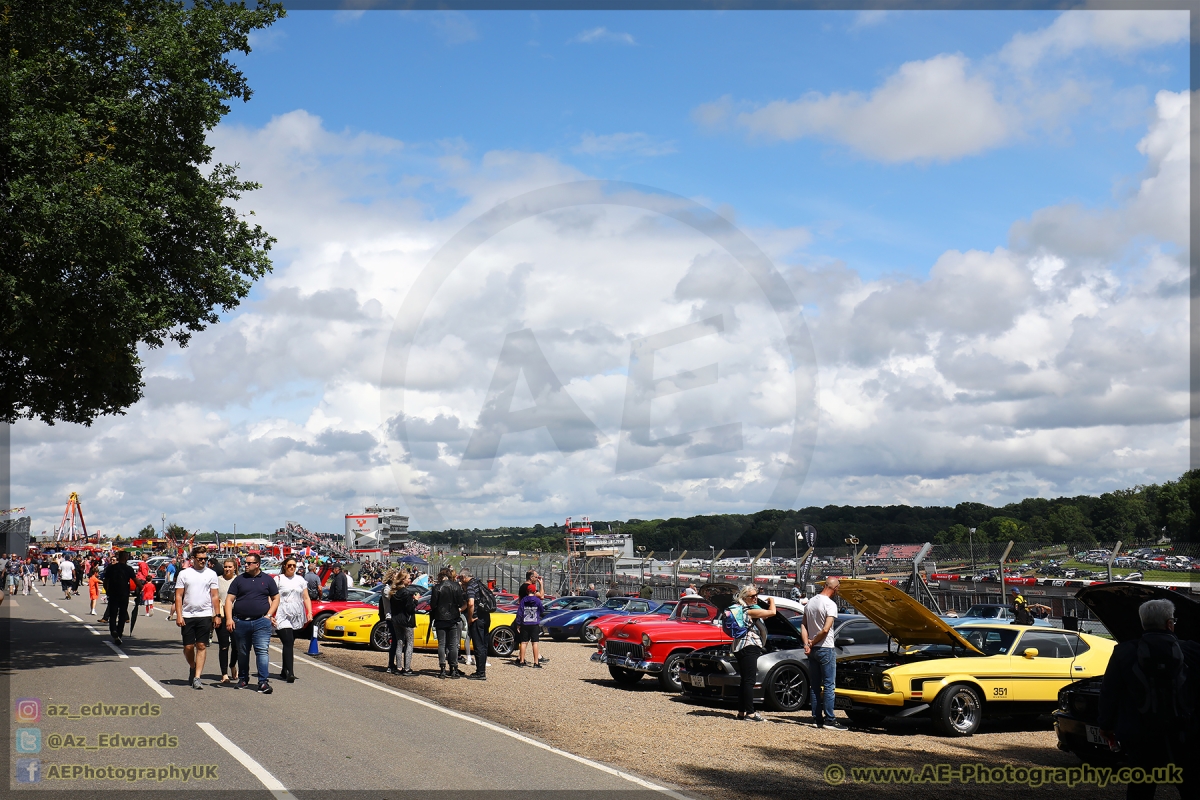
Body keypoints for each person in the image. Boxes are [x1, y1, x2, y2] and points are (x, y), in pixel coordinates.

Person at [1100, 598, 1200, 800]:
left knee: (1140, 788)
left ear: (1142, 623)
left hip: (1140, 734)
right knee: (1190, 785)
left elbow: (1109, 692)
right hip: (1183, 733)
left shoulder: (1124, 652)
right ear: (1170, 623)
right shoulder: (1191, 650)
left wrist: (1106, 726)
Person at [224, 553, 279, 694]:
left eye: (249, 563)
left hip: (261, 621)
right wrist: (229, 619)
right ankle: (243, 679)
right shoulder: (239, 580)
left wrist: (269, 615)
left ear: (257, 564)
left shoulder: (267, 580)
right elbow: (229, 600)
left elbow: (276, 598)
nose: (245, 565)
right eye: (245, 562)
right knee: (242, 652)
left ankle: (263, 682)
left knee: (262, 651)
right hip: (241, 622)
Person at [802, 577, 845, 730]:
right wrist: (812, 642)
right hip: (825, 647)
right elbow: (826, 629)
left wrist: (807, 643)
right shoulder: (830, 604)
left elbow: (804, 624)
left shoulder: (811, 602)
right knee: (828, 685)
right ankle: (830, 719)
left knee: (815, 685)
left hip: (813, 650)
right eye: (838, 587)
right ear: (835, 588)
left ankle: (817, 718)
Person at [175, 546, 219, 690]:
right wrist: (179, 615)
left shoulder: (211, 574)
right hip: (188, 615)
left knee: (201, 645)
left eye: (205, 559)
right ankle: (192, 667)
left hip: (205, 614)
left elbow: (214, 596)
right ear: (193, 558)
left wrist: (217, 615)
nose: (203, 561)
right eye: (200, 559)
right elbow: (179, 596)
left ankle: (197, 677)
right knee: (188, 647)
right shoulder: (184, 574)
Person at [271, 557, 312, 684]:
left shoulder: (300, 580)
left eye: (294, 565)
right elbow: (271, 597)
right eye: (289, 565)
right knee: (288, 640)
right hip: (282, 613)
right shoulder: (278, 579)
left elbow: (305, 597)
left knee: (289, 643)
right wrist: (270, 613)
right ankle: (290, 672)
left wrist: (309, 612)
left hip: (297, 614)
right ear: (284, 566)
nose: (292, 567)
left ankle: (284, 670)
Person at [430, 568, 465, 679]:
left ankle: (442, 668)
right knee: (453, 644)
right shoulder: (456, 586)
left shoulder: (437, 588)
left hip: (440, 618)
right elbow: (460, 603)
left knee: (441, 644)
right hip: (453, 618)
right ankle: (454, 668)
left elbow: (433, 605)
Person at [383, 570, 418, 676]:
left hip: (396, 620)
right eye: (408, 578)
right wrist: (416, 600)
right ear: (403, 580)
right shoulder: (406, 593)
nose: (410, 580)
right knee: (409, 643)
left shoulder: (393, 592)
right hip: (406, 621)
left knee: (399, 642)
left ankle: (398, 667)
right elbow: (410, 609)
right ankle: (407, 669)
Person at [460, 568, 492, 680]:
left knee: (478, 646)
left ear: (464, 577)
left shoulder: (470, 586)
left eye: (460, 578)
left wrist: (470, 617)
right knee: (484, 645)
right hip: (486, 617)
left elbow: (471, 603)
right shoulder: (479, 583)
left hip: (477, 618)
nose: (460, 580)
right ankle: (482, 670)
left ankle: (480, 672)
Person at [102, 551, 136, 644]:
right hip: (124, 593)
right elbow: (135, 580)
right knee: (122, 614)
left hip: (113, 593)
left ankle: (113, 630)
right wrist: (142, 588)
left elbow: (105, 581)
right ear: (125, 558)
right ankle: (119, 633)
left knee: (113, 614)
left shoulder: (111, 568)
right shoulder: (128, 569)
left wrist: (107, 590)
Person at [215, 558, 238, 684]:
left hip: (236, 615)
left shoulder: (239, 580)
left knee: (237, 645)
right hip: (222, 614)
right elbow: (214, 598)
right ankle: (224, 674)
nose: (227, 569)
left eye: (230, 567)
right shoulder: (217, 580)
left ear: (235, 568)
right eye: (225, 566)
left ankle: (233, 664)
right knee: (224, 646)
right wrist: (216, 615)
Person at [515, 583, 545, 668]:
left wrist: (518, 623)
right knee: (535, 643)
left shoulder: (524, 600)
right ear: (535, 591)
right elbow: (542, 610)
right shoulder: (537, 600)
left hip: (525, 623)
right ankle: (536, 662)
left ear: (527, 591)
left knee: (523, 642)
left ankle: (521, 661)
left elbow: (520, 612)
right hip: (534, 623)